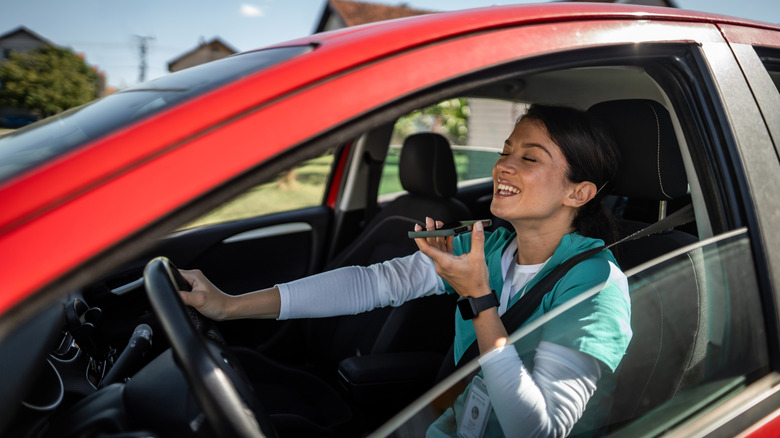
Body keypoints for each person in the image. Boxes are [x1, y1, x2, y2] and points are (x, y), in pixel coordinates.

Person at [179, 104, 632, 437]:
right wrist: (228, 305)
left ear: (579, 193)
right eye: (505, 150)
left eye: (529, 158)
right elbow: (373, 282)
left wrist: (479, 300)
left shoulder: (596, 285)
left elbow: (538, 431)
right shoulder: (491, 246)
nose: (503, 165)